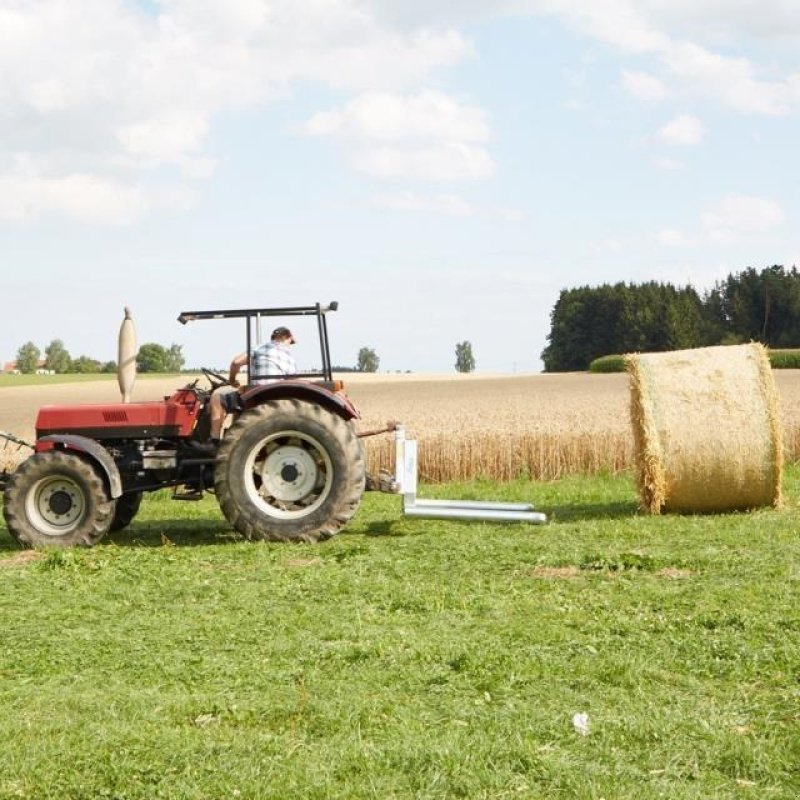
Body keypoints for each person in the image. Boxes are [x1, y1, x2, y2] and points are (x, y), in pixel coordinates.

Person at [207, 326, 297, 442]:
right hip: (277, 398)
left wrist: (232, 380)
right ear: (286, 337)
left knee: (217, 398)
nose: (290, 345)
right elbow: (292, 381)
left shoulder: (260, 348)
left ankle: (214, 441)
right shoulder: (290, 358)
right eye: (291, 342)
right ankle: (234, 436)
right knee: (239, 400)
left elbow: (236, 362)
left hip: (258, 396)